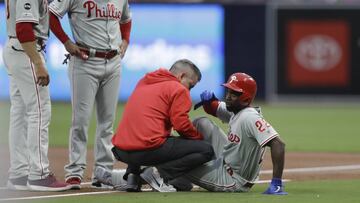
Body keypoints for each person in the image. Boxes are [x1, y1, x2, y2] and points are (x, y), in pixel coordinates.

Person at [48, 0, 132, 189]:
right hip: (85, 60)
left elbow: (126, 19)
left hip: (113, 61)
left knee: (107, 121)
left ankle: (102, 172)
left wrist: (126, 40)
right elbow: (51, 14)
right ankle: (75, 172)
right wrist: (66, 41)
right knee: (81, 121)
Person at [108, 59, 214, 192]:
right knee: (206, 150)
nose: (189, 89)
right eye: (191, 85)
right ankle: (158, 173)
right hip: (146, 150)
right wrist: (198, 137)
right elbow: (181, 126)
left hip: (121, 151)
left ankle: (133, 177)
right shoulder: (179, 89)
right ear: (181, 76)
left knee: (146, 132)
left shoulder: (145, 80)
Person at [174, 72, 287, 194]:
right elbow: (216, 107)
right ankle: (181, 179)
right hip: (226, 163)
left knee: (179, 162)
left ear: (246, 98)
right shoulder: (237, 109)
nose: (228, 96)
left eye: (234, 94)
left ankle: (170, 177)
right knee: (201, 123)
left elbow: (278, 144)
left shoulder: (249, 117)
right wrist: (209, 101)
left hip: (233, 180)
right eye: (228, 91)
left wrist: (277, 183)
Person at [3, 0, 70, 191]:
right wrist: (38, 63)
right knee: (39, 111)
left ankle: (19, 173)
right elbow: (24, 28)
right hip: (26, 50)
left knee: (20, 113)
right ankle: (39, 175)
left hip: (17, 49)